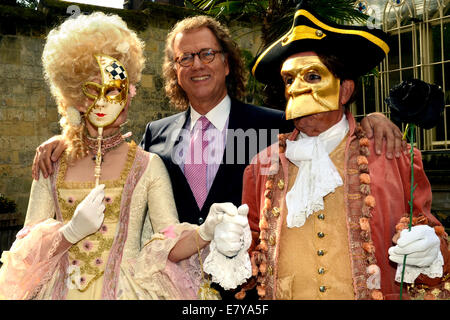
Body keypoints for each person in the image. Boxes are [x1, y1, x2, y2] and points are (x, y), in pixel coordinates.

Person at [32, 15, 406, 228]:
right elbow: (118, 167)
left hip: (248, 288)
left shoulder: (274, 126)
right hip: (173, 285)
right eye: (185, 58)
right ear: (174, 72)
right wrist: (67, 139)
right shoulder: (155, 135)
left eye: (207, 53)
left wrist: (371, 119)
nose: (196, 64)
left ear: (227, 63)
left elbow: (327, 137)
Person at [0, 12, 247, 300]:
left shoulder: (147, 164)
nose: (108, 101)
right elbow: (25, 254)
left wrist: (205, 231)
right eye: (95, 91)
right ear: (76, 99)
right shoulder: (52, 162)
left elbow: (167, 242)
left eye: (117, 89)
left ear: (130, 91)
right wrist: (69, 232)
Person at [240, 2, 449, 300]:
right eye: (289, 80)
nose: (298, 88)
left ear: (344, 90)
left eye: (313, 76)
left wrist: (430, 246)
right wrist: (230, 249)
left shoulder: (394, 155)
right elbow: (249, 251)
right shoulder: (261, 165)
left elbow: (433, 242)